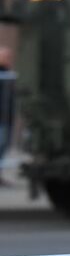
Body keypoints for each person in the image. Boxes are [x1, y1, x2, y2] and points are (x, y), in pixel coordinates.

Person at [0, 45, 12, 187]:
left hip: (6, 118)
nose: (9, 59)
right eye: (6, 56)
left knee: (3, 147)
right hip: (1, 118)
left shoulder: (9, 74)